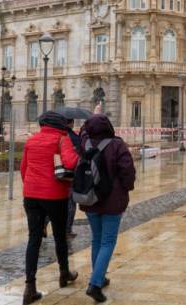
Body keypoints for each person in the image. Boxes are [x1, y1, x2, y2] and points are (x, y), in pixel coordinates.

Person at [20, 111, 80, 304]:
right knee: (60, 236)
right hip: (55, 195)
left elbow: (23, 168)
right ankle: (64, 273)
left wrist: (31, 186)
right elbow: (71, 162)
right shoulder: (62, 139)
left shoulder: (31, 141)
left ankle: (30, 287)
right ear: (60, 125)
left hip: (31, 195)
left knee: (33, 239)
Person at [80, 114, 136, 303]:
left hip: (91, 199)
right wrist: (126, 187)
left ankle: (100, 277)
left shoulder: (86, 144)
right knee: (108, 241)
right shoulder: (117, 145)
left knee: (97, 239)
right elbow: (128, 171)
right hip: (112, 201)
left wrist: (90, 117)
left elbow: (82, 132)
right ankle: (95, 283)